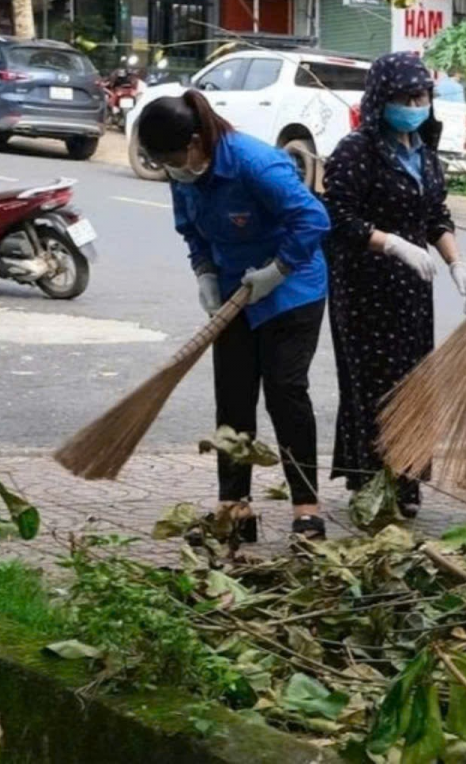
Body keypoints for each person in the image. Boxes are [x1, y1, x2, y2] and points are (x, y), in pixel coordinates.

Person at [138, 89, 332, 540]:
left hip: (292, 290)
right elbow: (192, 230)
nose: (169, 170)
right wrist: (204, 272)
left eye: (171, 158)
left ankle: (306, 508)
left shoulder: (254, 163)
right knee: (233, 396)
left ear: (194, 141)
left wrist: (278, 269)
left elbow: (314, 219)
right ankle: (235, 506)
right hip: (233, 293)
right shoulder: (182, 173)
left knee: (285, 393)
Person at [323, 52, 466, 515]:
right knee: (372, 384)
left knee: (413, 383)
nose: (415, 104)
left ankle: (406, 481)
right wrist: (392, 245)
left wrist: (454, 261)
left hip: (412, 291)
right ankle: (369, 480)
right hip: (364, 285)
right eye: (405, 97)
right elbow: (338, 218)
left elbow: (436, 216)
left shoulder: (425, 156)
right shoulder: (356, 151)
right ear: (381, 100)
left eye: (421, 95)